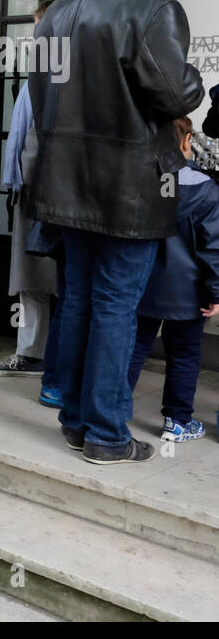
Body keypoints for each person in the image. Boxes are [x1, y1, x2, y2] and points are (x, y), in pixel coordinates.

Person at [28, 0, 205, 464]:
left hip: (65, 181)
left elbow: (41, 98)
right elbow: (175, 91)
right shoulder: (154, 9)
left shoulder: (58, 11)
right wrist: (194, 77)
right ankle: (106, 433)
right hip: (130, 187)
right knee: (115, 308)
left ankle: (78, 421)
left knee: (78, 298)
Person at [125, 117, 219, 443]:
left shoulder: (140, 179)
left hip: (143, 284)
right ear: (185, 141)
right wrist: (216, 292)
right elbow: (213, 247)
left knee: (133, 349)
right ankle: (177, 422)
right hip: (189, 291)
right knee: (185, 353)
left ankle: (113, 414)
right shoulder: (204, 187)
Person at [0, 0, 59, 385]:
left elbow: (22, 138)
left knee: (33, 279)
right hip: (60, 190)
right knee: (51, 280)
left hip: (37, 190)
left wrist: (14, 182)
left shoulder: (46, 77)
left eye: (38, 25)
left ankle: (32, 354)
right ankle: (49, 357)